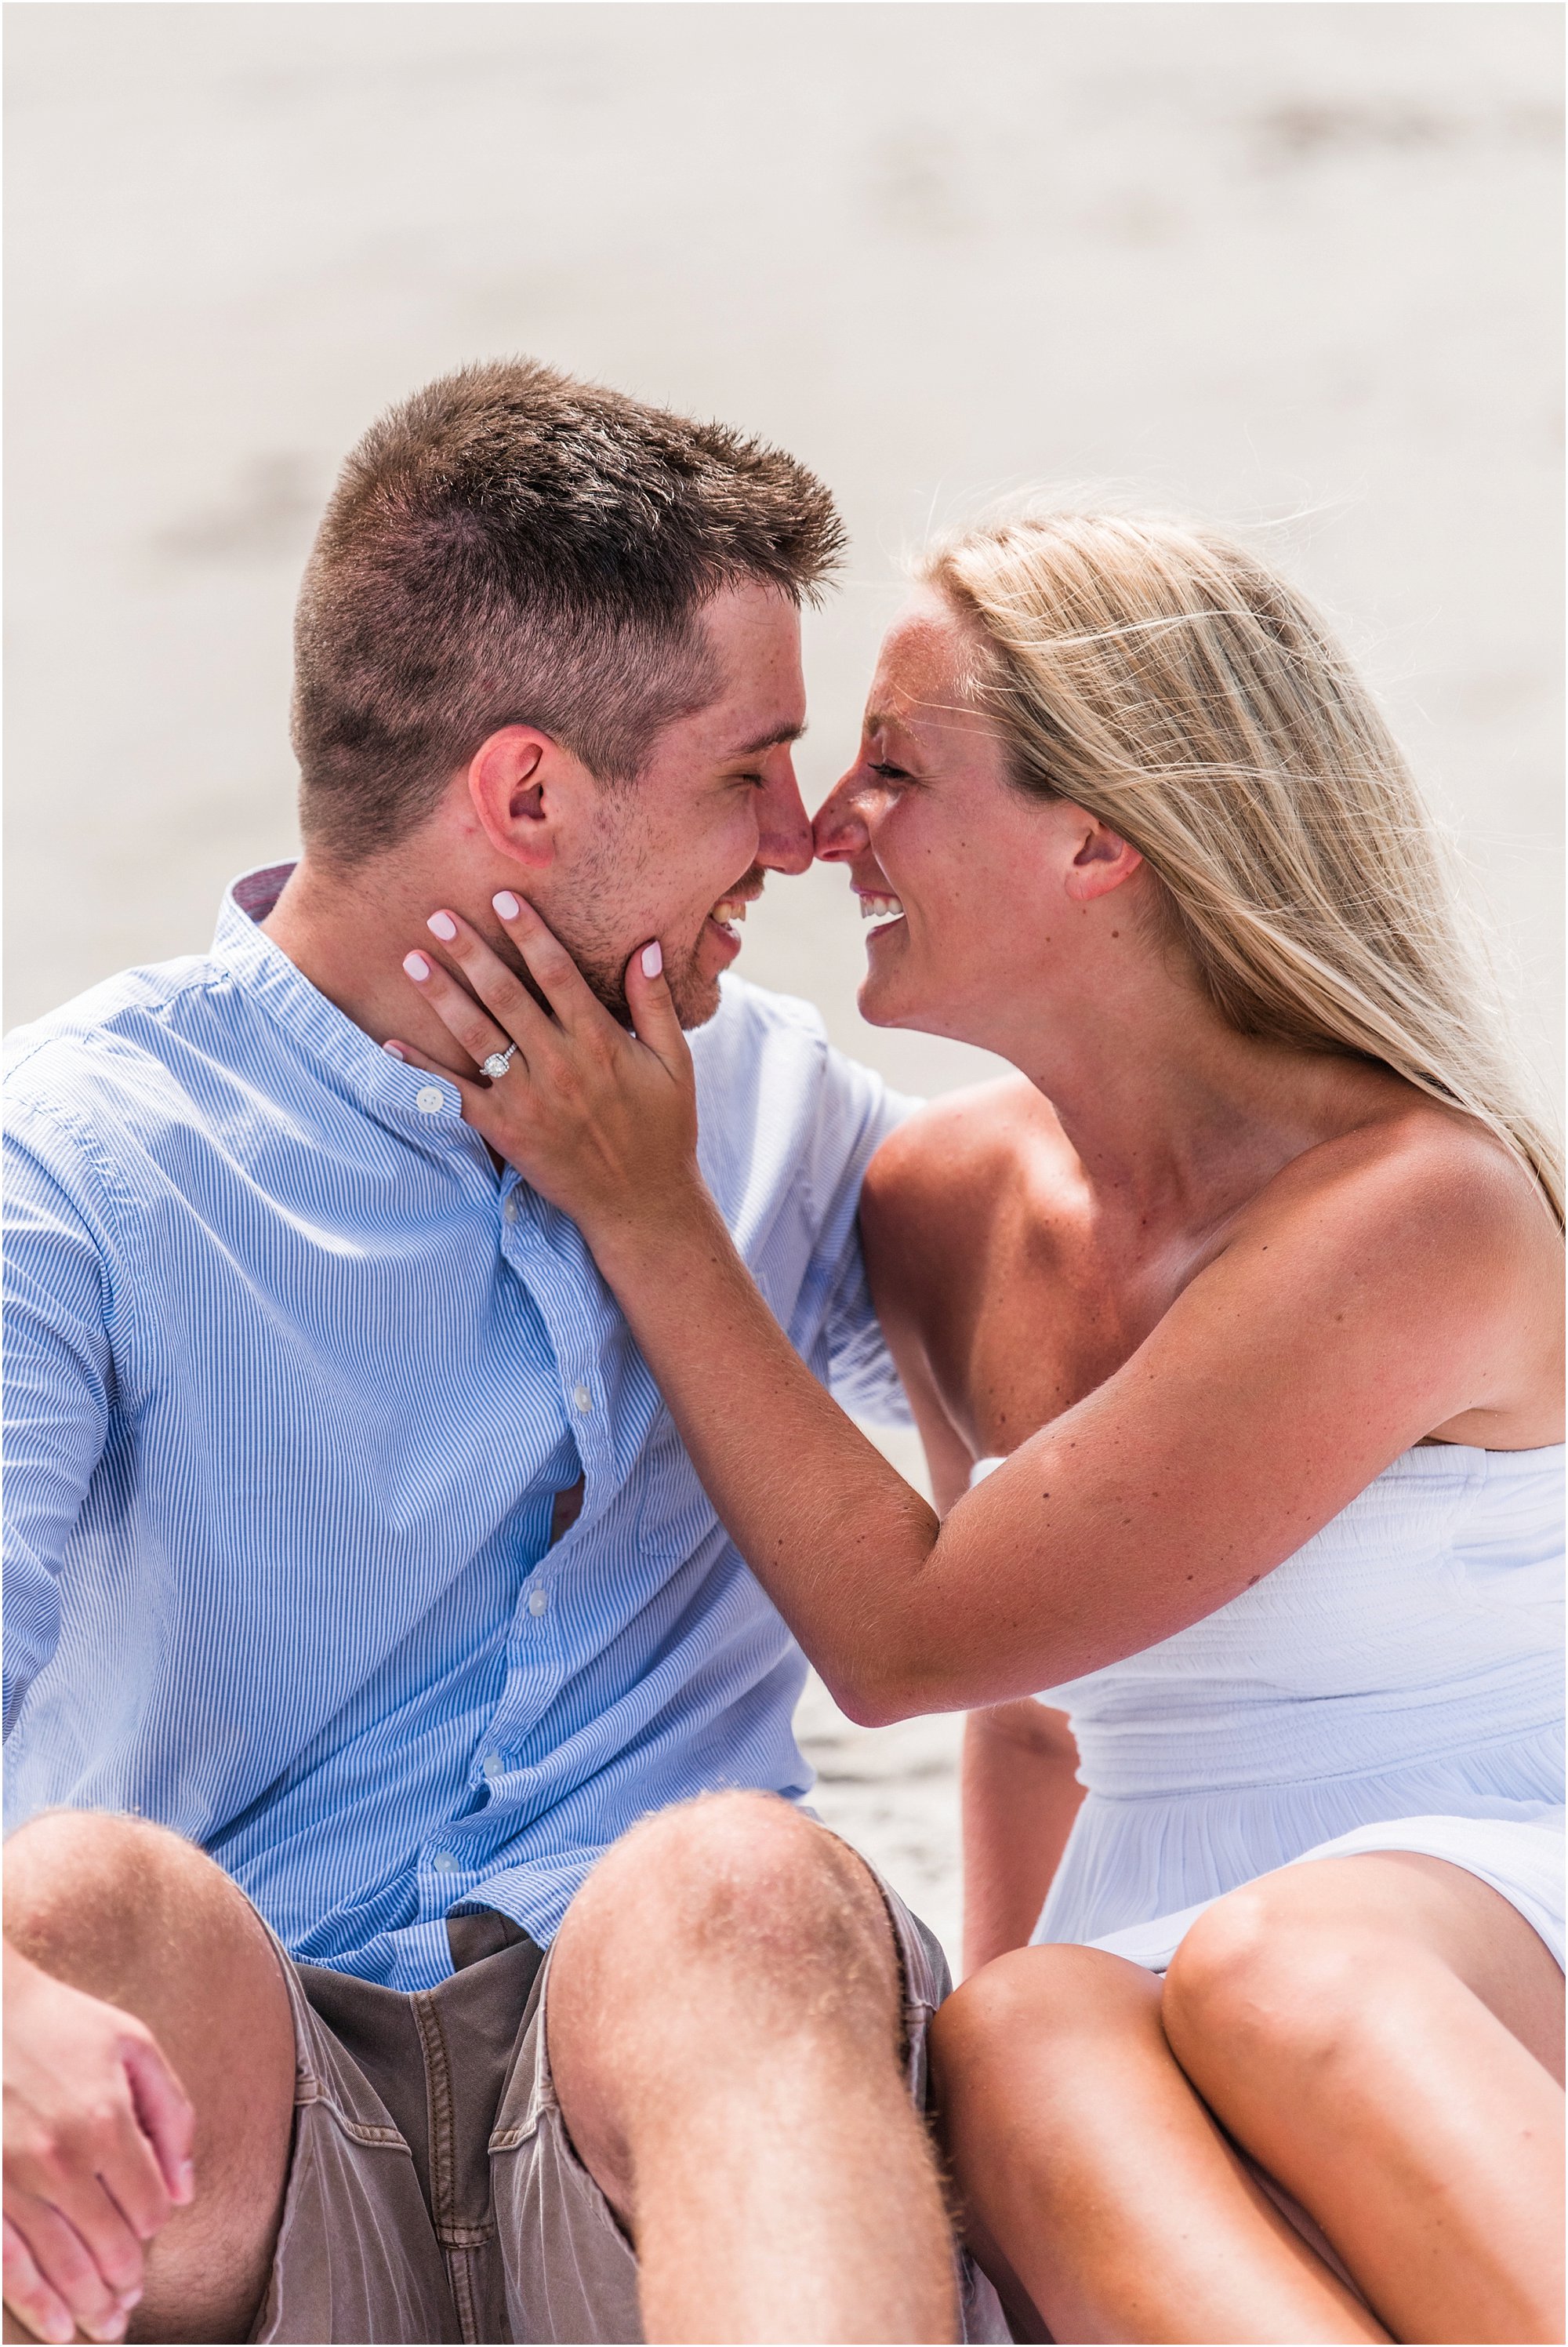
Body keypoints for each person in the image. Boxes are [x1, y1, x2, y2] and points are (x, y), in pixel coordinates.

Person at [395, 504, 1565, 2345]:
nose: (819, 829)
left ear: (1100, 837)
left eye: (894, 770)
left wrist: (644, 1211)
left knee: (1283, 1959)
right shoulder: (938, 1213)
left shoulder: (1418, 1210)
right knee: (1009, 2030)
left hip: (1477, 1901)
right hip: (1157, 1928)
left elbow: (912, 1636)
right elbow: (1025, 1722)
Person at [3, 361, 1007, 2347]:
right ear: (529, 794)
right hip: (248, 2161)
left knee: (737, 1879)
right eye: (750, 767)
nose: (803, 838)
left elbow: (1136, 1272)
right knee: (72, 1915)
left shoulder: (782, 1117)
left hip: (656, 2136)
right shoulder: (85, 1165)